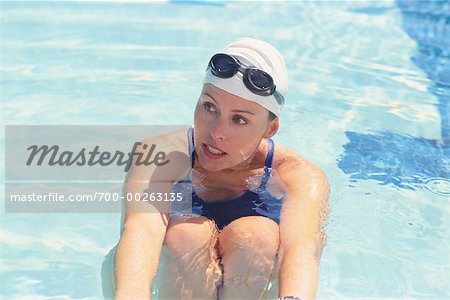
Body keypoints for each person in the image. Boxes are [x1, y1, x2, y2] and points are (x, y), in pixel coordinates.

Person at [114, 37, 330, 300]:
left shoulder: (298, 176)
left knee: (256, 236)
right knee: (187, 235)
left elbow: (301, 248)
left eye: (239, 119)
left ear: (269, 129)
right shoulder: (160, 156)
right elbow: (141, 231)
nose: (216, 132)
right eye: (209, 107)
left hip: (256, 284)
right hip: (169, 276)